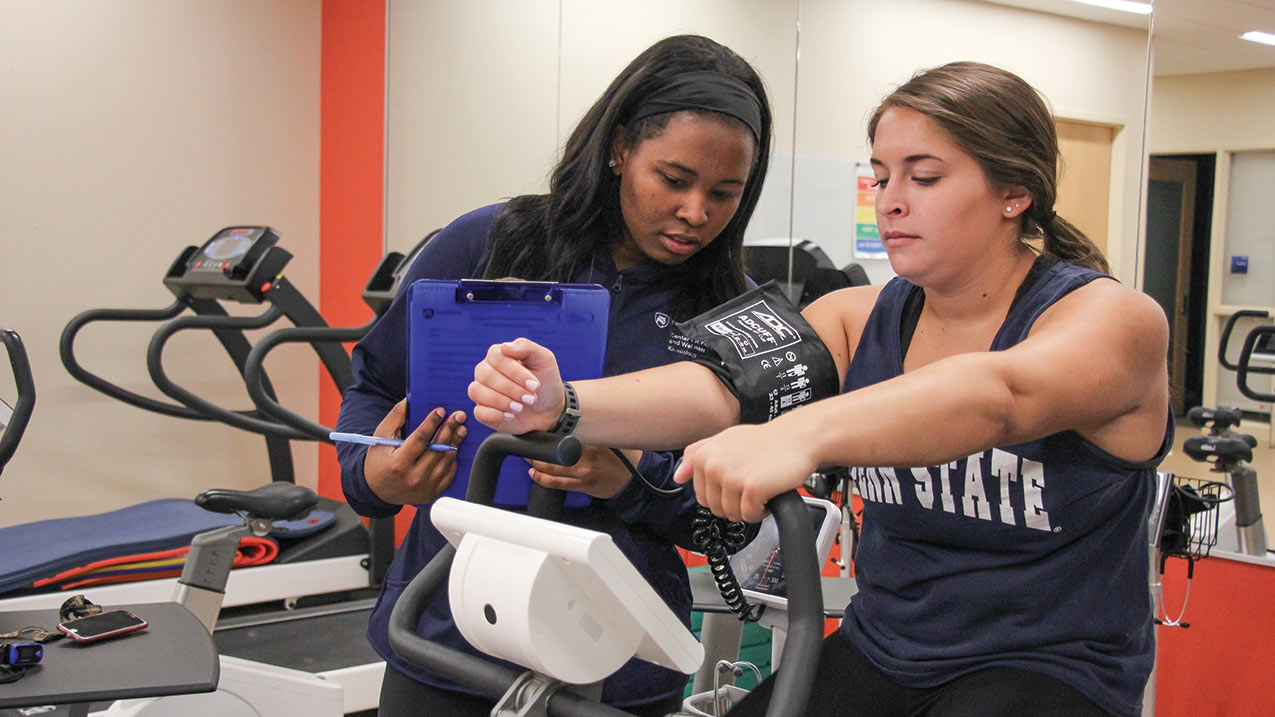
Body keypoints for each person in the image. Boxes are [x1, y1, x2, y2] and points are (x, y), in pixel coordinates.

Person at [470, 61, 1172, 717]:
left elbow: (1000, 395)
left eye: (922, 178)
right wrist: (567, 403)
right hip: (885, 648)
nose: (891, 202)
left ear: (1014, 193)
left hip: (1047, 667)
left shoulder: (1111, 321)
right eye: (881, 176)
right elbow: (720, 390)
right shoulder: (855, 316)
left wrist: (797, 434)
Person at [334, 34, 774, 716]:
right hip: (447, 631)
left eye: (724, 193)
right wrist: (375, 477)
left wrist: (631, 482)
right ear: (621, 147)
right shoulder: (488, 240)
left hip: (613, 654)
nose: (696, 214)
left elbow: (730, 527)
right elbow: (371, 387)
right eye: (673, 179)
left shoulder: (733, 314)